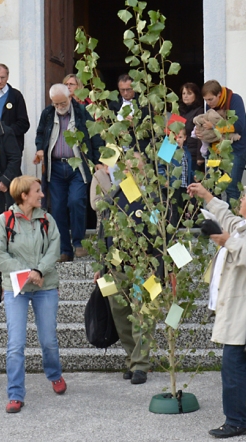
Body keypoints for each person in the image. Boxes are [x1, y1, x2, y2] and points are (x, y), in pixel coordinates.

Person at [187, 181, 246, 438]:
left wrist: (228, 241)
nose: (240, 200)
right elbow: (226, 218)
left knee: (233, 363)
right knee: (239, 360)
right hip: (239, 304)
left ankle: (236, 421)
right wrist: (206, 195)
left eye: (244, 197)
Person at [0, 176, 64, 413]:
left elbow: (55, 249)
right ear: (24, 195)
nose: (42, 195)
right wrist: (27, 273)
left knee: (49, 341)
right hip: (16, 289)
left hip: (45, 286)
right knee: (15, 344)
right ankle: (15, 394)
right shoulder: (4, 221)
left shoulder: (47, 219)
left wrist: (39, 270)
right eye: (37, 191)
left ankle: (54, 374)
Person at [93, 153, 156, 385]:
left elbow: (161, 234)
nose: (129, 173)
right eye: (126, 168)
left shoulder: (152, 198)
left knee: (143, 317)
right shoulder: (114, 196)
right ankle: (131, 358)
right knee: (120, 317)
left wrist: (159, 269)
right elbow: (103, 233)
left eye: (134, 168)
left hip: (142, 268)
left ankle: (141, 364)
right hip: (113, 269)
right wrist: (101, 265)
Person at [34, 83, 102, 262]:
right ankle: (65, 249)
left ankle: (78, 242)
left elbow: (94, 135)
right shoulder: (47, 114)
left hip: (77, 166)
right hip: (55, 168)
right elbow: (40, 134)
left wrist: (98, 161)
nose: (59, 107)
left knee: (76, 201)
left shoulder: (81, 112)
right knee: (57, 209)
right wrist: (40, 149)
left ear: (70, 97)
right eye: (56, 104)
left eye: (62, 103)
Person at [196, 80, 246, 204]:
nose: (208, 104)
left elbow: (239, 126)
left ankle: (233, 221)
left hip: (235, 150)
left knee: (231, 188)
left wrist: (214, 128)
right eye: (206, 100)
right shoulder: (210, 105)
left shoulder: (235, 100)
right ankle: (216, 221)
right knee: (213, 187)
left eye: (211, 100)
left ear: (219, 95)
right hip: (215, 151)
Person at [109, 73, 151, 152]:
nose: (125, 93)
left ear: (134, 87)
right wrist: (117, 131)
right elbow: (107, 127)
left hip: (138, 149)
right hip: (118, 150)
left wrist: (135, 125)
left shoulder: (144, 104)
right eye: (122, 90)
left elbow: (151, 131)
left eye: (128, 89)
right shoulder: (113, 105)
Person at [180, 82, 205, 170]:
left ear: (196, 95)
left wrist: (200, 157)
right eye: (184, 93)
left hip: (193, 154)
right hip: (181, 153)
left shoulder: (200, 111)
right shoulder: (180, 111)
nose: (185, 96)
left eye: (189, 93)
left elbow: (201, 134)